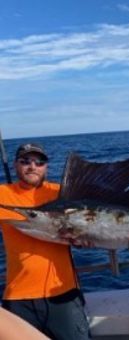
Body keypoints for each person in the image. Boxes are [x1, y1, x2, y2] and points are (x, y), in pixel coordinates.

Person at [0, 143, 90, 340]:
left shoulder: (62, 194)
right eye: (25, 161)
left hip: (63, 294)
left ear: (46, 167)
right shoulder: (3, 194)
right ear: (15, 165)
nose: (33, 166)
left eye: (39, 162)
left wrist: (83, 240)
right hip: (17, 297)